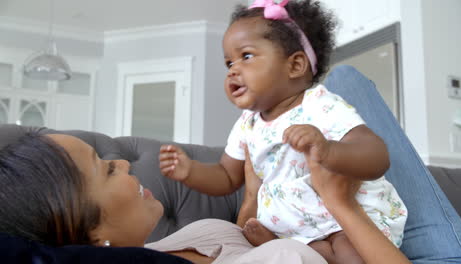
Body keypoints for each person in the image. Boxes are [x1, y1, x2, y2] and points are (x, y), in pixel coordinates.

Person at [159, 0, 407, 263]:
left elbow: (376, 155)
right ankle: (285, 244)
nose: (233, 69)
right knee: (299, 253)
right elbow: (226, 176)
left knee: (349, 254)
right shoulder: (248, 123)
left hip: (344, 222)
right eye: (228, 62)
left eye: (246, 56)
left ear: (295, 65)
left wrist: (329, 150)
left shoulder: (320, 105)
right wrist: (191, 172)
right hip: (299, 228)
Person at [0, 131, 410, 263]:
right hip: (385, 243)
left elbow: (236, 248)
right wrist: (341, 202)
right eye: (106, 169)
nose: (123, 164)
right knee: (346, 85)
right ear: (92, 238)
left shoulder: (161, 249)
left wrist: (250, 194)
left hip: (327, 227)